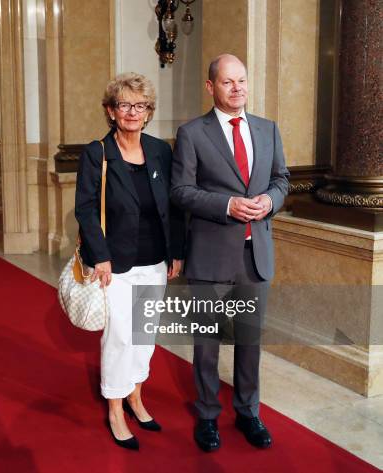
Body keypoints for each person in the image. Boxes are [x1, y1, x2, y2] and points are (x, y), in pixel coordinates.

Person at [171, 54, 290, 452]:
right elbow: (181, 192)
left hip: (256, 255)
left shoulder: (267, 129)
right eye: (227, 82)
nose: (237, 88)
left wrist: (270, 202)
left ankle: (247, 410)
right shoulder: (192, 134)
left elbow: (281, 179)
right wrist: (227, 206)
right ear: (211, 87)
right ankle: (207, 414)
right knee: (207, 343)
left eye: (241, 80)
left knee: (250, 340)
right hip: (211, 255)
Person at [75, 72, 185, 450]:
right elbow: (86, 210)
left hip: (155, 259)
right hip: (116, 264)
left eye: (140, 105)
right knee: (120, 336)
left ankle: (137, 396)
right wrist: (100, 256)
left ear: (149, 111)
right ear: (111, 110)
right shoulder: (97, 152)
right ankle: (116, 408)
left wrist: (176, 252)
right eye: (124, 105)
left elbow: (171, 207)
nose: (132, 112)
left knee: (144, 336)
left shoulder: (160, 151)